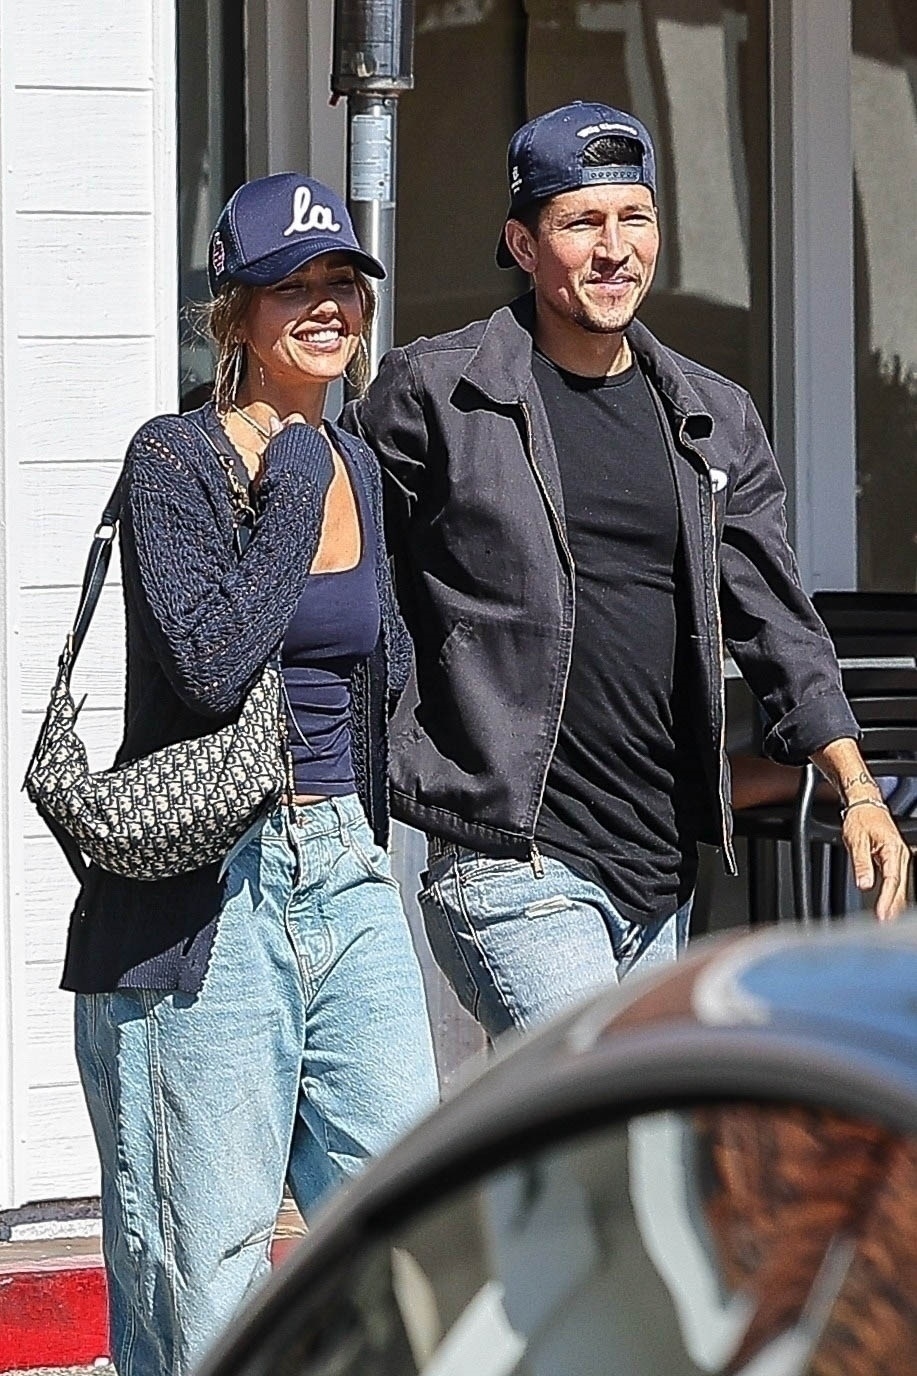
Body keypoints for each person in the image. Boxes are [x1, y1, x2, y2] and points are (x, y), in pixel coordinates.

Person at [347, 102, 911, 1038]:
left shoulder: (710, 417)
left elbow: (777, 621)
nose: (614, 250)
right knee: (610, 1089)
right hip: (513, 859)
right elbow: (345, 573)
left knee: (619, 1124)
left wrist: (855, 786)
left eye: (634, 218)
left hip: (658, 869)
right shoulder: (436, 395)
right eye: (581, 223)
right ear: (523, 245)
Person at [62, 173, 438, 1376]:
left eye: (342, 283)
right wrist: (291, 482)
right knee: (206, 1273)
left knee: (415, 1225)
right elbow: (212, 664)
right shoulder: (174, 458)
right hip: (204, 901)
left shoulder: (359, 466)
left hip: (344, 868)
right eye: (292, 285)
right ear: (234, 312)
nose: (326, 305)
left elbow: (381, 675)